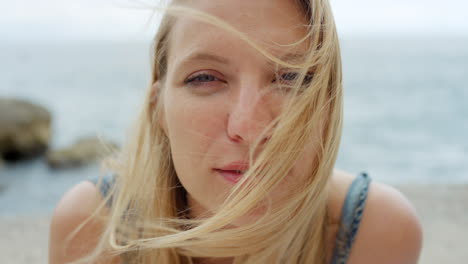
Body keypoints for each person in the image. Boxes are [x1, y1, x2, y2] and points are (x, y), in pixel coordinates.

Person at [48, 0, 423, 263]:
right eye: (206, 78)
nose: (249, 127)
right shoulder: (92, 229)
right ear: (158, 107)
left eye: (290, 78)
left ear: (327, 104)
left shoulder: (375, 232)